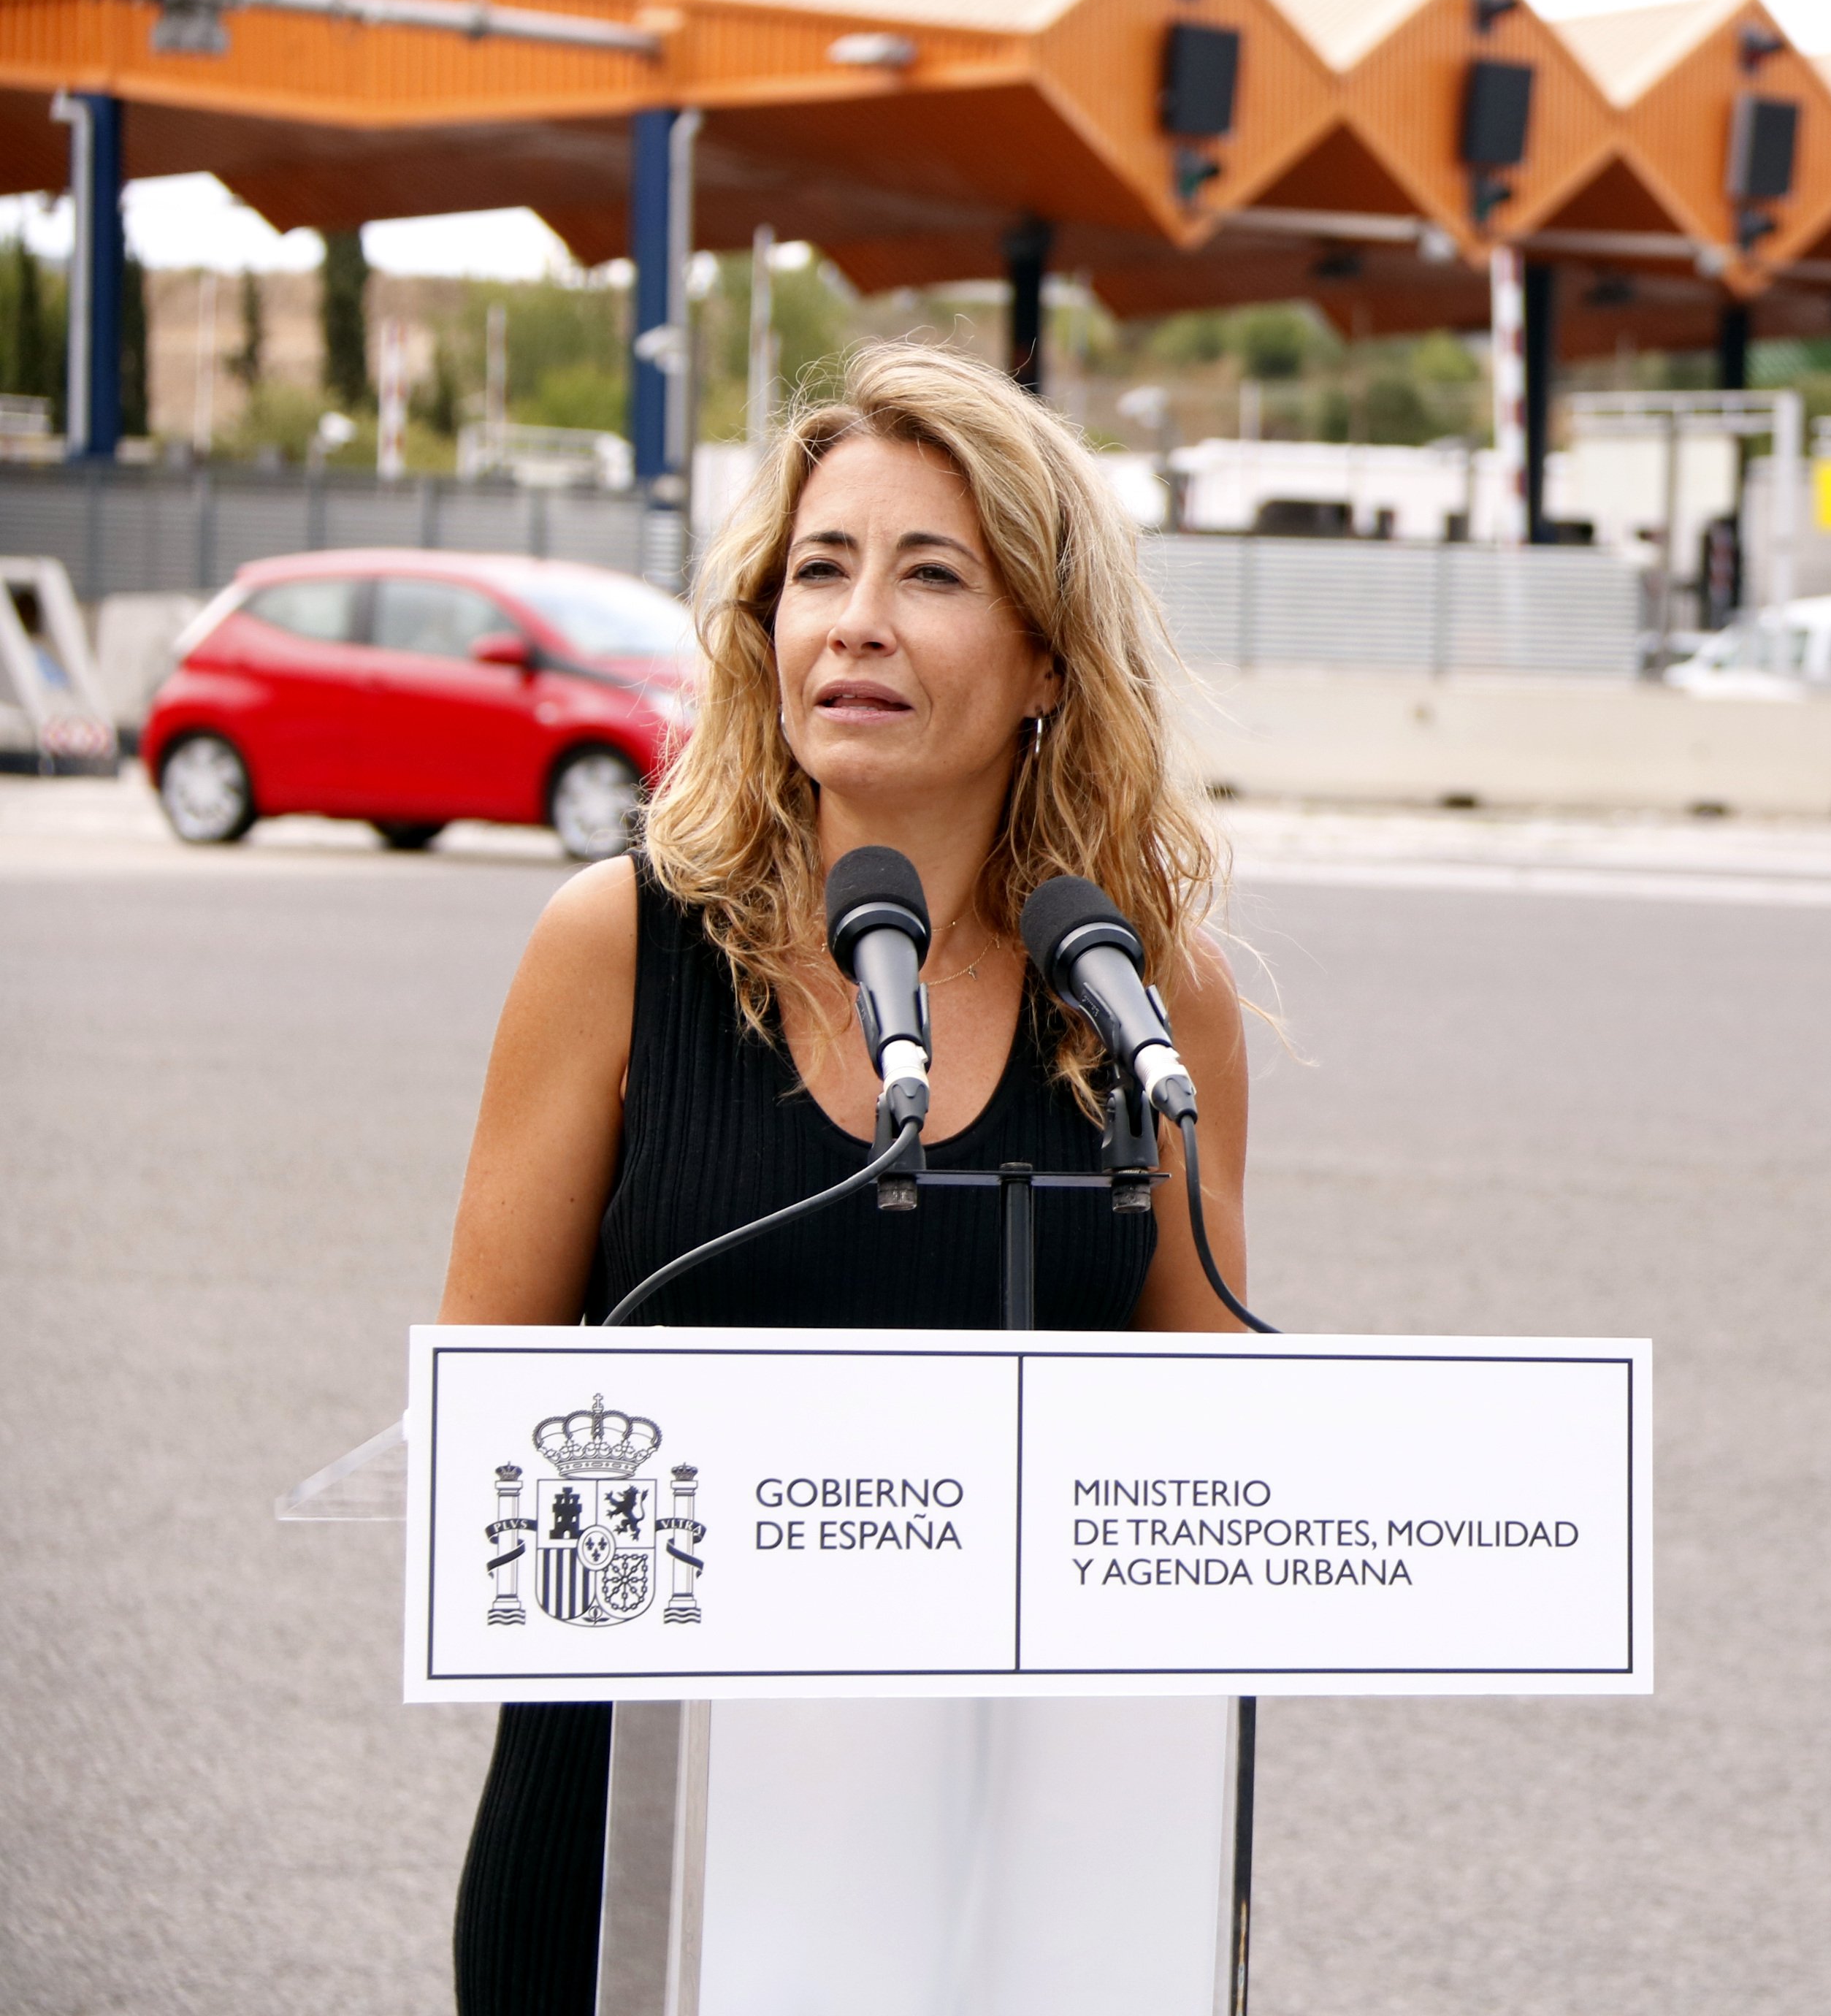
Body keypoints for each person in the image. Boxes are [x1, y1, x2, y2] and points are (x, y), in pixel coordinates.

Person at [435, 340, 1250, 2016]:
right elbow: (483, 1447)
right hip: (629, 1838)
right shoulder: (616, 944)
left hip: (1019, 1856)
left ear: (1043, 658)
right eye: (820, 568)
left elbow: (1211, 1444)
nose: (854, 619)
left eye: (928, 573)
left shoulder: (1146, 992)